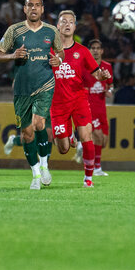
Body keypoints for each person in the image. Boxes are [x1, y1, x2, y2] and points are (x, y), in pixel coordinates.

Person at [0, 0, 62, 190]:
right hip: (22, 89)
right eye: (30, 5)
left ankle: (44, 166)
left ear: (42, 9)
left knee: (39, 123)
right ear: (24, 9)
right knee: (26, 134)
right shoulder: (14, 31)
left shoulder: (51, 31)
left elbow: (60, 52)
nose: (33, 8)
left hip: (45, 84)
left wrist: (58, 60)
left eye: (37, 5)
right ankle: (35, 174)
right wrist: (13, 55)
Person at [47, 11, 111, 187]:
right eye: (63, 22)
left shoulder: (82, 51)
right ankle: (69, 137)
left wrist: (103, 75)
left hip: (78, 99)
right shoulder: (49, 50)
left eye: (71, 22)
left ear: (74, 27)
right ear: (57, 26)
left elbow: (96, 73)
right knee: (63, 148)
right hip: (57, 103)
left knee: (86, 135)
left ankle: (88, 179)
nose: (67, 24)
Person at [82, 38, 115, 176]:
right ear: (89, 51)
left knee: (104, 141)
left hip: (102, 108)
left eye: (97, 48)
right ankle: (96, 168)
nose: (95, 51)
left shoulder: (107, 66)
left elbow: (111, 84)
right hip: (90, 107)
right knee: (98, 136)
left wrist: (110, 91)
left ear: (102, 51)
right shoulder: (85, 67)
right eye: (93, 48)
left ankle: (81, 147)